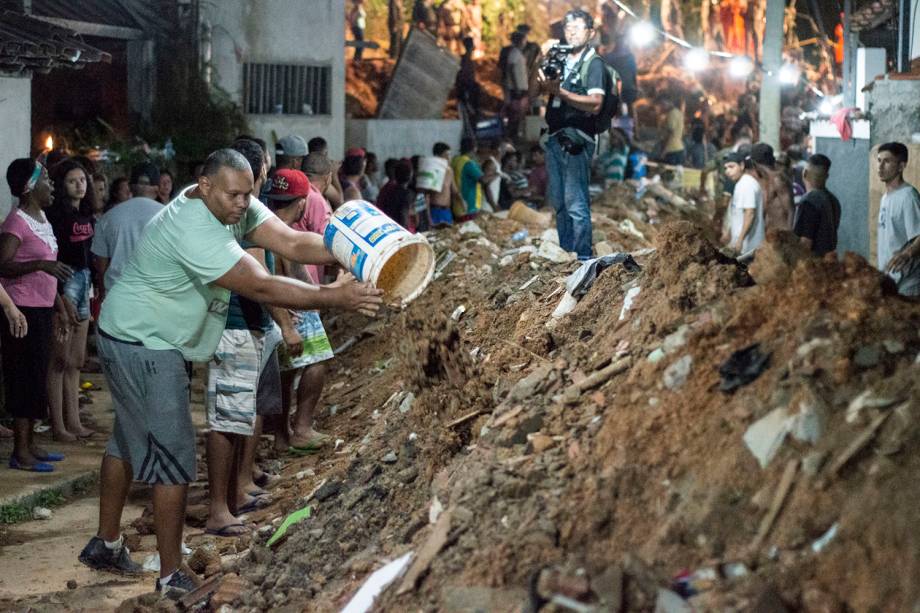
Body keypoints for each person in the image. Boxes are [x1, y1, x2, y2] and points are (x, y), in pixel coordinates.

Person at [77, 149, 383, 597]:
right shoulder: (194, 226)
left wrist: (356, 251)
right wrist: (334, 297)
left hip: (133, 334)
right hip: (143, 342)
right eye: (235, 195)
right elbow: (261, 284)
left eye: (248, 193)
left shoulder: (229, 201)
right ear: (205, 187)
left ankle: (105, 545)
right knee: (174, 457)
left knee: (126, 440)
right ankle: (171, 576)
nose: (244, 203)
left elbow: (293, 242)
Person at [204, 147, 290, 537]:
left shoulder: (243, 210)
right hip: (237, 326)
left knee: (239, 417)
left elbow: (293, 247)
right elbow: (260, 281)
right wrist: (287, 324)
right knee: (229, 421)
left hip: (244, 325)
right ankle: (220, 507)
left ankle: (231, 497)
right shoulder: (241, 216)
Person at [0, 159, 72, 472]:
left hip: (41, 308)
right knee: (22, 377)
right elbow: (2, 265)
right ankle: (20, 451)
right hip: (20, 310)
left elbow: (50, 268)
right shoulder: (16, 222)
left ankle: (29, 444)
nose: (52, 185)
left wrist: (59, 305)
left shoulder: (40, 217)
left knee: (37, 376)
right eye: (46, 179)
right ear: (30, 187)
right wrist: (39, 266)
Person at [277, 153, 337, 453]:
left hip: (284, 300)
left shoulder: (264, 218)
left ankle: (281, 434)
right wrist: (318, 295)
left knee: (286, 370)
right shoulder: (308, 206)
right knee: (317, 360)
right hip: (295, 299)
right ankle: (301, 428)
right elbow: (294, 262)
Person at [536, 9, 606, 260]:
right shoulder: (560, 60)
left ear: (590, 32)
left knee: (576, 203)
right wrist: (540, 57)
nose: (572, 32)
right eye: (568, 28)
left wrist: (562, 93)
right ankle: (567, 255)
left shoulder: (593, 63)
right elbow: (536, 88)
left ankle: (583, 257)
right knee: (560, 203)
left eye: (578, 27)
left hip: (577, 138)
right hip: (554, 137)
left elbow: (596, 103)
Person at [47, 159, 97, 442]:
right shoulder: (56, 216)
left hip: (86, 282)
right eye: (72, 181)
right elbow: (53, 257)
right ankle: (58, 424)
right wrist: (58, 299)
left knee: (76, 360)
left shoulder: (88, 214)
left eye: (82, 180)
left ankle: (74, 420)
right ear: (61, 185)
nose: (79, 185)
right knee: (59, 358)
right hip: (65, 285)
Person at [91, 163, 164, 296]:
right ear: (157, 188)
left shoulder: (108, 218)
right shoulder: (172, 216)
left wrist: (103, 294)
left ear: (131, 187)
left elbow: (101, 267)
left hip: (118, 296)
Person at [876, 142, 920, 278]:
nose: (880, 166)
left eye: (887, 161)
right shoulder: (885, 197)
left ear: (901, 166)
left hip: (907, 281)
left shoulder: (908, 196)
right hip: (889, 277)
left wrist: (907, 254)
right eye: (879, 160)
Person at [793, 154, 840, 256]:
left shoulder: (809, 201)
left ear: (804, 173)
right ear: (827, 176)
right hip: (829, 263)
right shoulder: (834, 201)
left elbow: (805, 243)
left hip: (813, 266)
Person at [721, 151, 765, 257]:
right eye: (726, 168)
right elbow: (739, 214)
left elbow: (749, 213)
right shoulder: (741, 184)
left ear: (741, 165)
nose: (728, 171)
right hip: (743, 245)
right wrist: (729, 233)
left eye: (731, 167)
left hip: (748, 247)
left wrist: (740, 240)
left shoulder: (746, 185)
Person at [750, 142, 794, 232]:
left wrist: (789, 237)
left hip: (781, 235)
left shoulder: (778, 179)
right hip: (769, 235)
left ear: (754, 164)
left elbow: (790, 211)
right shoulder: (763, 180)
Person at [451, 137, 496, 221]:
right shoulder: (469, 163)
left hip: (457, 206)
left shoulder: (455, 160)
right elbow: (483, 180)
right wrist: (497, 175)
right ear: (475, 148)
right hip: (469, 207)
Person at [503, 31, 529, 141]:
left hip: (521, 87)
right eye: (524, 40)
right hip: (516, 88)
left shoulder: (517, 53)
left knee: (519, 112)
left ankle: (515, 133)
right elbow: (511, 70)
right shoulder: (514, 53)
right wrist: (516, 86)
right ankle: (511, 135)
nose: (525, 42)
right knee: (514, 113)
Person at [428, 142, 460, 227]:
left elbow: (454, 190)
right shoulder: (431, 171)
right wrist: (428, 217)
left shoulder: (450, 171)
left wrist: (462, 201)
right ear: (438, 157)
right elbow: (426, 196)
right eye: (446, 155)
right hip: (435, 210)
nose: (449, 158)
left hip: (447, 211)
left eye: (449, 155)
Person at [377, 159, 413, 228]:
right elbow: (403, 214)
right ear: (410, 176)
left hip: (389, 225)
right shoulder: (406, 193)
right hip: (400, 229)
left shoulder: (388, 190)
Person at [456, 36, 482, 123]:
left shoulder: (467, 60)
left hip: (469, 89)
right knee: (468, 112)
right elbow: (463, 77)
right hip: (466, 89)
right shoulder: (465, 60)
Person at [659, 95, 685, 166]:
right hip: (679, 148)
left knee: (668, 175)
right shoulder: (679, 113)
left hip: (671, 150)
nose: (662, 107)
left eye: (663, 104)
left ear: (670, 103)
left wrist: (663, 151)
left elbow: (670, 133)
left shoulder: (672, 114)